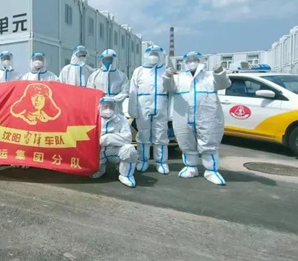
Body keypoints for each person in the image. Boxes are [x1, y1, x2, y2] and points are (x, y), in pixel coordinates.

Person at [166, 51, 231, 185]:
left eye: (195, 59)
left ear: (201, 61)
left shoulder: (209, 76)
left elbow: (224, 84)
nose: (192, 62)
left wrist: (220, 72)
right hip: (183, 115)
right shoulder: (179, 78)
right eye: (189, 60)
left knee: (209, 141)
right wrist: (167, 76)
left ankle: (211, 171)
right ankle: (190, 167)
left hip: (207, 115)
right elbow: (168, 87)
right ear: (184, 62)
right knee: (185, 140)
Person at [128, 45, 171, 174]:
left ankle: (161, 162)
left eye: (156, 54)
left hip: (161, 106)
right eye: (151, 54)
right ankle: (143, 160)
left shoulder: (165, 71)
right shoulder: (139, 71)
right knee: (143, 134)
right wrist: (132, 110)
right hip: (143, 108)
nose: (154, 57)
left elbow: (172, 93)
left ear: (161, 56)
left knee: (161, 135)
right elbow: (133, 91)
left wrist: (171, 112)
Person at [91, 97, 138, 187]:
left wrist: (107, 138)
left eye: (111, 106)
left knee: (129, 149)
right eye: (105, 106)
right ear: (100, 107)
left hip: (115, 151)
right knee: (94, 169)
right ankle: (99, 170)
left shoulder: (122, 119)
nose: (108, 109)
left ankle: (126, 175)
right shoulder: (93, 118)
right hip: (97, 152)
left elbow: (127, 138)